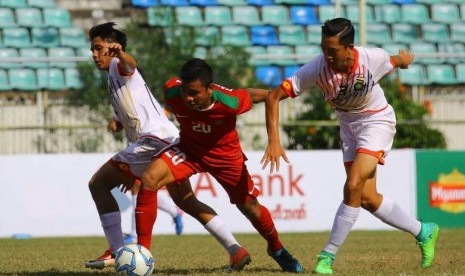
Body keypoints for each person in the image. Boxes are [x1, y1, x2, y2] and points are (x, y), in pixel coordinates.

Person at [261, 18, 439, 274]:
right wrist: (274, 141)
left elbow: (393, 61)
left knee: (353, 184)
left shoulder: (371, 58)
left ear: (349, 48)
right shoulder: (316, 68)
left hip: (376, 121)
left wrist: (404, 61)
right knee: (366, 197)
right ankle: (423, 231)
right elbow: (273, 97)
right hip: (348, 128)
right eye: (323, 48)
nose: (326, 55)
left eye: (332, 50)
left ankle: (327, 256)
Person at [84, 22, 252, 272]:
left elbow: (131, 64)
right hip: (166, 139)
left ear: (112, 47)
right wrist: (119, 122)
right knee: (186, 201)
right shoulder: (113, 75)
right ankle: (236, 251)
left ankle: (118, 251)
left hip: (153, 141)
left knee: (98, 184)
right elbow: (138, 106)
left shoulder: (120, 66)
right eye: (92, 49)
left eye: (99, 48)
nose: (95, 54)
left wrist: (120, 54)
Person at [137, 58, 304, 273]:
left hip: (226, 157)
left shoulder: (229, 101)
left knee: (250, 207)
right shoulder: (171, 91)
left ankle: (277, 248)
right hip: (190, 151)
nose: (188, 98)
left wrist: (274, 140)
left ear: (210, 89)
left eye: (195, 93)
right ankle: (142, 253)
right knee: (149, 179)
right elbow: (170, 108)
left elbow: (270, 96)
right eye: (185, 91)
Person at [107, 117, 184, 242]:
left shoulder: (143, 102)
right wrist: (116, 123)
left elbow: (161, 116)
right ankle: (174, 211)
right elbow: (117, 125)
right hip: (134, 150)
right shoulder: (124, 102)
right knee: (142, 189)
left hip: (150, 149)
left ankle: (134, 234)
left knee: (137, 187)